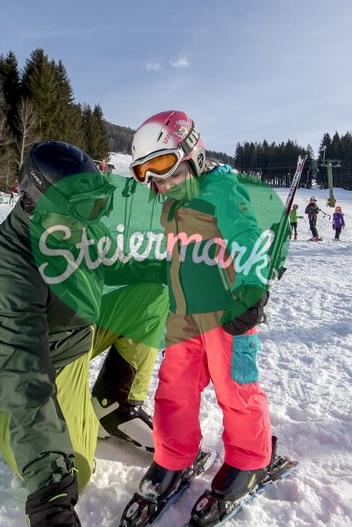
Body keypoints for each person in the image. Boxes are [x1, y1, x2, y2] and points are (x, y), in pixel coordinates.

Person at [0, 140, 169, 526]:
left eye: (97, 206)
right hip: (47, 356)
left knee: (151, 298)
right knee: (75, 472)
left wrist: (168, 270)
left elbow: (114, 266)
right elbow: (23, 371)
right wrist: (49, 492)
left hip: (81, 327)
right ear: (35, 204)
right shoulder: (9, 269)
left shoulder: (77, 228)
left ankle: (113, 404)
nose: (92, 221)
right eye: (82, 210)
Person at [126, 110, 288, 526]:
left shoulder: (222, 189)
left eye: (162, 165)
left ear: (190, 149)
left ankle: (250, 460)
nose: (156, 181)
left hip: (229, 313)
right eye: (145, 172)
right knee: (173, 390)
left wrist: (252, 288)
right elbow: (181, 255)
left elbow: (246, 237)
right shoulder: (172, 202)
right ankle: (173, 457)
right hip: (183, 316)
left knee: (236, 388)